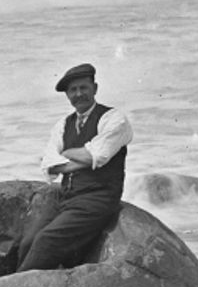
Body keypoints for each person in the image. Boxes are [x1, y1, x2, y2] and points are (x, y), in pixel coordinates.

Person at [14, 62, 134, 271]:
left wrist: (67, 154)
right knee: (28, 242)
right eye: (73, 90)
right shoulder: (63, 124)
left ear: (94, 88)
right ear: (67, 95)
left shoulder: (114, 119)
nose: (79, 94)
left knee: (47, 240)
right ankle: (18, 283)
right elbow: (49, 165)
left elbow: (96, 156)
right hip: (66, 196)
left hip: (99, 197)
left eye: (83, 88)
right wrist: (77, 159)